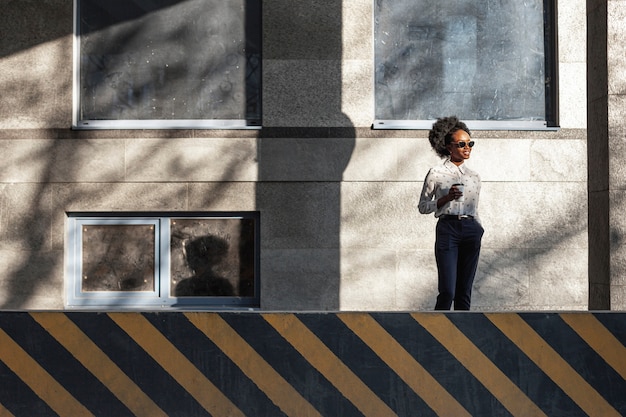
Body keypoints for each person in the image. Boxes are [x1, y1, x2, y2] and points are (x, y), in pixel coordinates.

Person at [418, 116, 484, 310]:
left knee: (464, 292)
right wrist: (446, 198)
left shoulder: (474, 176)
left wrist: (479, 228)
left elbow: (475, 207)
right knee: (448, 291)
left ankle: (464, 337)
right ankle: (438, 332)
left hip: (471, 229)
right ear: (449, 147)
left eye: (470, 143)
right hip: (448, 229)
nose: (467, 147)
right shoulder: (436, 172)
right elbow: (423, 206)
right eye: (461, 144)